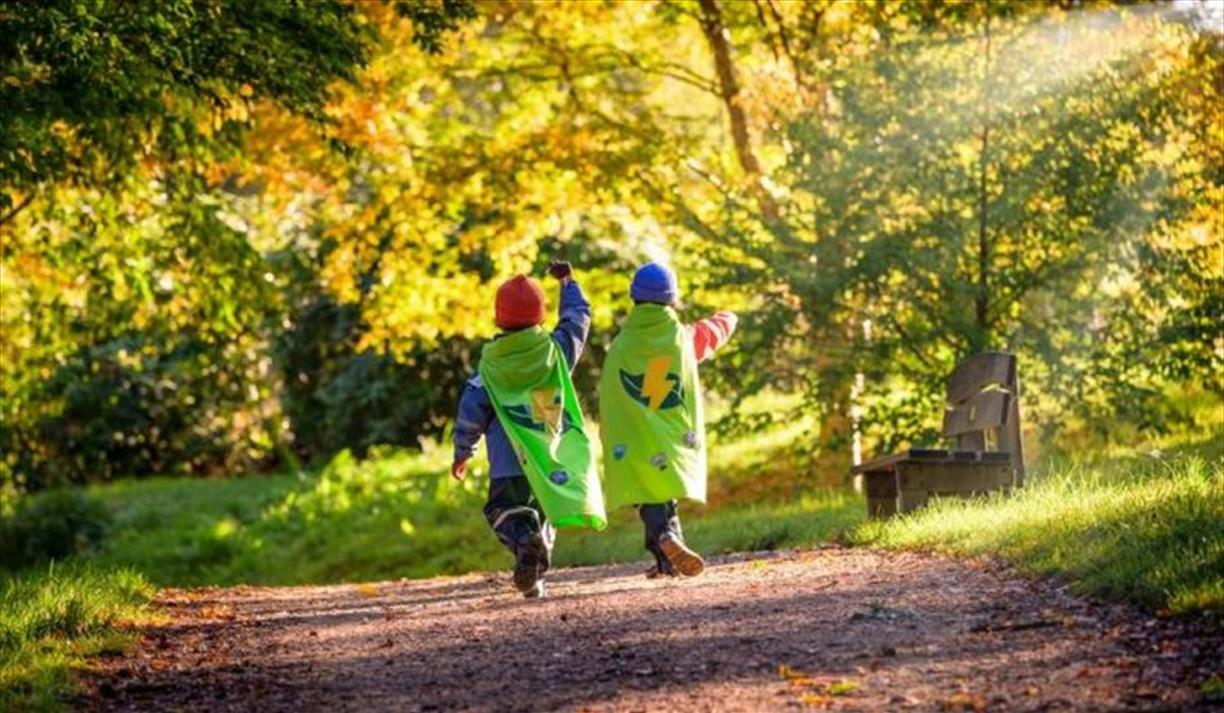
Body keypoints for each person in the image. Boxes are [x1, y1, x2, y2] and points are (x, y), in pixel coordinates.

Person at [451, 261, 605, 598]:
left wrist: (463, 451)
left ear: (498, 318)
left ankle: (525, 547)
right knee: (544, 511)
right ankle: (534, 569)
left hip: (509, 462)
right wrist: (567, 282)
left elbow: (471, 408)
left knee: (503, 512)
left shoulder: (492, 364)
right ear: (540, 316)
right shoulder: (556, 351)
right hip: (549, 455)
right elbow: (578, 319)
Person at [598, 261, 737, 578]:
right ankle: (668, 549)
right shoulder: (682, 339)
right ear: (672, 300)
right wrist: (728, 317)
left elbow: (613, 389)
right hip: (670, 430)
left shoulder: (621, 344)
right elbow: (711, 333)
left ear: (634, 298)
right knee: (661, 491)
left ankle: (666, 545)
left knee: (647, 492)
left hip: (633, 431)